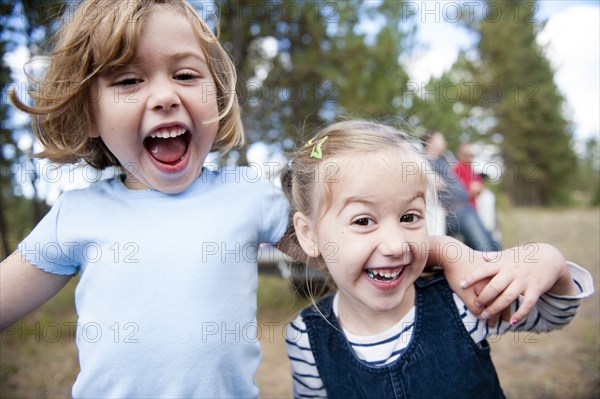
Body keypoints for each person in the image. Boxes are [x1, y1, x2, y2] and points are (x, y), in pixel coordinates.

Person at [0, 1, 496, 397]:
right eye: (128, 80)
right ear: (89, 114)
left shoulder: (246, 196)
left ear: (216, 97)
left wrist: (451, 252)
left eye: (186, 75)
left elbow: (350, 243)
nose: (165, 96)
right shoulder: (77, 215)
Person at [280, 120, 593, 399]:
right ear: (309, 234)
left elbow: (555, 316)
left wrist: (551, 261)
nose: (395, 244)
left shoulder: (461, 301)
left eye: (409, 216)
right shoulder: (306, 339)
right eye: (363, 221)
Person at [423, 131, 501, 251]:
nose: (444, 142)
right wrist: (429, 176)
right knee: (486, 248)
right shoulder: (423, 162)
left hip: (465, 206)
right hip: (455, 210)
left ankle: (497, 259)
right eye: (441, 139)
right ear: (430, 141)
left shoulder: (442, 159)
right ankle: (494, 264)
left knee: (491, 241)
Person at [453, 142, 484, 209]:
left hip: (472, 207)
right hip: (462, 209)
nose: (469, 158)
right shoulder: (456, 168)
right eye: (466, 155)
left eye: (471, 155)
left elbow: (480, 186)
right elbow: (455, 195)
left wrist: (478, 188)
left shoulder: (472, 170)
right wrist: (471, 192)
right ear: (459, 154)